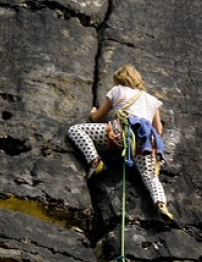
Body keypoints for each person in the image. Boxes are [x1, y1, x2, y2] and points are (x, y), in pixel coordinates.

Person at [68, 64, 173, 221]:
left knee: (76, 130)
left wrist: (93, 112)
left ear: (120, 79)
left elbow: (97, 117)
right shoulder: (152, 100)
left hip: (120, 134)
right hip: (144, 142)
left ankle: (95, 161)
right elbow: (158, 130)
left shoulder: (117, 90)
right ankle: (161, 205)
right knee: (150, 176)